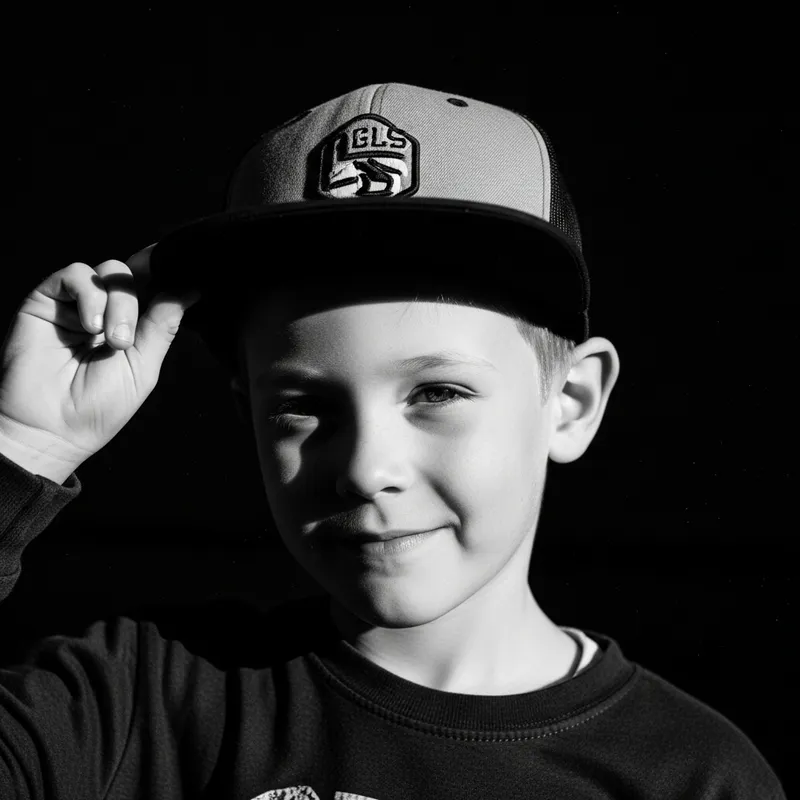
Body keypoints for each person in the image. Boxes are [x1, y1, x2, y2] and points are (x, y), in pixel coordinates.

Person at [0, 83, 785, 799]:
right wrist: (22, 447)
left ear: (571, 401)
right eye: (301, 407)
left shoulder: (695, 777)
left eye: (437, 393)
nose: (366, 468)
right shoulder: (131, 706)